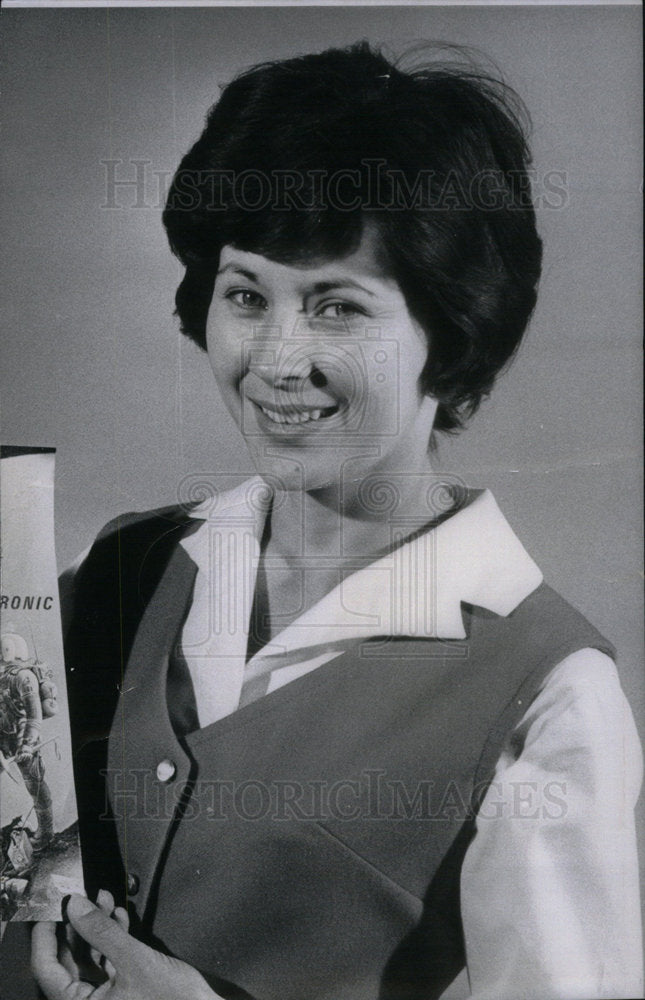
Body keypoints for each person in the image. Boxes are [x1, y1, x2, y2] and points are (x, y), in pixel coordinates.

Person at [32, 42, 642, 1000]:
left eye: (336, 308)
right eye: (245, 296)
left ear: (451, 335)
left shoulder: (548, 696)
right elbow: (57, 832)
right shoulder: (119, 566)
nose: (277, 360)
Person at [0, 632, 54, 854]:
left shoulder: (25, 677)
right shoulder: (4, 677)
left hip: (24, 741)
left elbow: (34, 715)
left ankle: (45, 835)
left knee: (36, 787)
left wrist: (27, 745)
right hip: (6, 740)